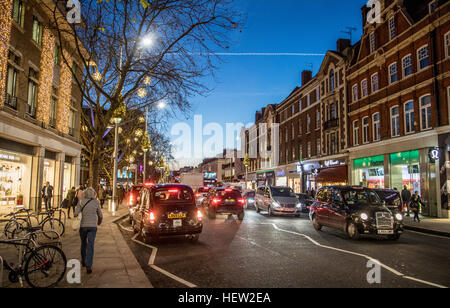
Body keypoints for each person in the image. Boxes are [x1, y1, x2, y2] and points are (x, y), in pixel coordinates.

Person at [75, 187, 103, 274]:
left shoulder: (81, 202)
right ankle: (89, 265)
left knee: (83, 243)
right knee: (91, 245)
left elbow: (75, 214)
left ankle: (83, 261)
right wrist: (99, 222)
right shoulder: (96, 202)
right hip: (93, 227)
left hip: (83, 226)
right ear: (93, 194)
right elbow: (100, 215)